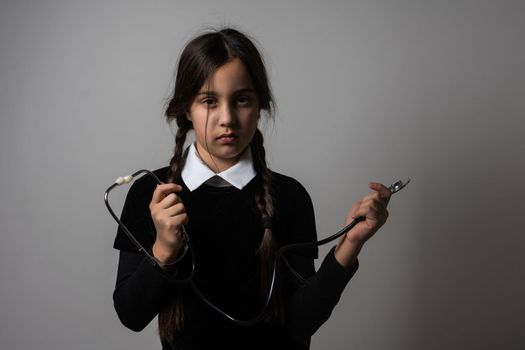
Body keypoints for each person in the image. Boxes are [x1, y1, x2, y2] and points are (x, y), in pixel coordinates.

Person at [112, 27, 392, 350]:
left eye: (241, 99)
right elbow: (131, 315)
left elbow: (299, 325)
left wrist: (350, 244)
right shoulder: (152, 194)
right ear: (186, 109)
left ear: (260, 106)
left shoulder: (290, 197)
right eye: (209, 101)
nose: (227, 118)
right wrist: (163, 248)